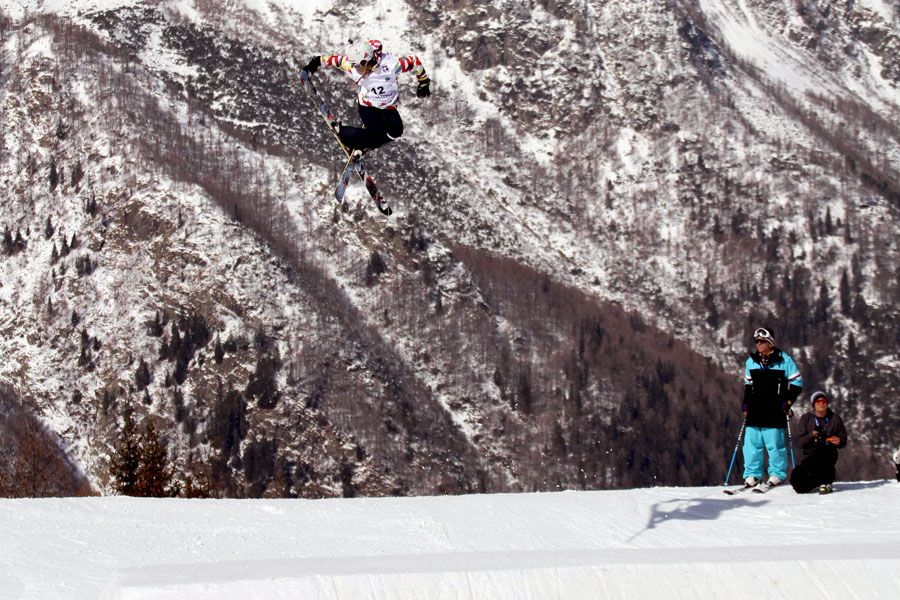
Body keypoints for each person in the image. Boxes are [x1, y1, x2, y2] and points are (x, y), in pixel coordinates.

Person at [303, 40, 431, 158]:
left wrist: (423, 82)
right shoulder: (354, 70)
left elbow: (414, 61)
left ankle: (364, 145)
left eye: (357, 65)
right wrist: (316, 61)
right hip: (368, 106)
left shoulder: (391, 66)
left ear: (365, 62)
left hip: (388, 106)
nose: (354, 68)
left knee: (396, 131)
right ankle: (343, 133)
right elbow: (338, 61)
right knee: (376, 135)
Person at [741, 327, 803, 488]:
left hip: (774, 410)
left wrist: (787, 402)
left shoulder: (784, 360)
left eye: (762, 341)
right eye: (757, 341)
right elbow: (748, 386)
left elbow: (797, 383)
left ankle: (777, 473)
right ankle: (752, 474)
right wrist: (745, 404)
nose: (758, 344)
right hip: (755, 409)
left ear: (770, 343)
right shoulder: (751, 362)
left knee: (774, 444)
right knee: (751, 444)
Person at [790, 391, 847, 493]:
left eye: (824, 401)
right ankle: (816, 481)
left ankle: (826, 482)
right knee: (799, 484)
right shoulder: (806, 419)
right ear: (814, 404)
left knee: (825, 452)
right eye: (818, 401)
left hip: (827, 452)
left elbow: (843, 440)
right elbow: (799, 443)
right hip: (809, 455)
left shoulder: (835, 419)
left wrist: (839, 441)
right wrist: (811, 435)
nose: (821, 403)